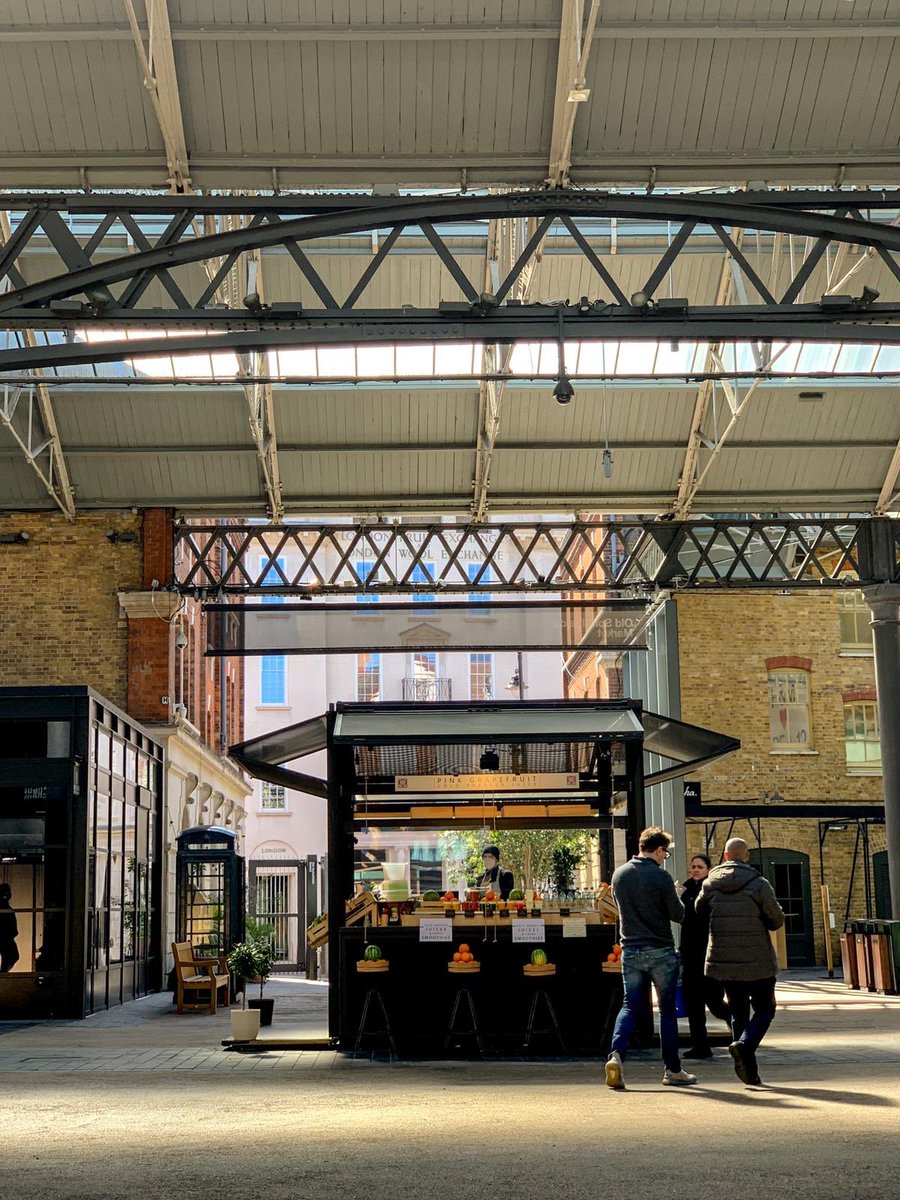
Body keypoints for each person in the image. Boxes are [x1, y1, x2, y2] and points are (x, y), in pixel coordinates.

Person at [605, 827, 697, 1089]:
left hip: (630, 950)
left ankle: (616, 1056)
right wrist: (677, 896)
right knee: (667, 1010)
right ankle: (672, 1069)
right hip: (660, 950)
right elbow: (678, 915)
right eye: (664, 853)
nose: (663, 857)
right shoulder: (661, 876)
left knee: (630, 1005)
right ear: (657, 850)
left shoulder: (619, 875)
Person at [696, 837, 785, 1086]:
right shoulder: (759, 883)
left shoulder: (710, 884)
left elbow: (699, 911)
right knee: (766, 1009)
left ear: (725, 856)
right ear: (746, 856)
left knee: (738, 1012)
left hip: (724, 960)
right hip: (758, 961)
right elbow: (776, 919)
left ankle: (749, 1072)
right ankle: (745, 1046)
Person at [678, 853, 731, 1058]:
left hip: (708, 952)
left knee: (715, 1001)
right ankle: (700, 1045)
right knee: (693, 1002)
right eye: (693, 866)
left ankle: (738, 1030)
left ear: (708, 869)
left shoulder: (711, 890)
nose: (695, 870)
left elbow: (700, 916)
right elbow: (681, 916)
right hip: (690, 953)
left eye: (700, 866)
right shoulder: (686, 888)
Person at [0, 883, 19, 973]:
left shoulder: (7, 909)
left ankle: (3, 973)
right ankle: (3, 973)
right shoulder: (5, 909)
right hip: (5, 938)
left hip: (6, 937)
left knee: (12, 956)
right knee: (12, 956)